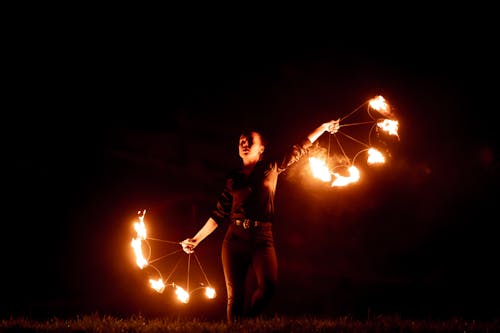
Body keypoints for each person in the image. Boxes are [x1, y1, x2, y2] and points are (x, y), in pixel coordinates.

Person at [181, 119, 340, 322]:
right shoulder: (233, 179)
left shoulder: (271, 167)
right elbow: (219, 213)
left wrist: (323, 128)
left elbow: (299, 148)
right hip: (235, 239)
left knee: (268, 287)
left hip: (262, 237)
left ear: (261, 148)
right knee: (234, 296)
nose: (244, 143)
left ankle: (244, 324)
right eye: (241, 141)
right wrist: (196, 239)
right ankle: (237, 328)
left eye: (249, 141)